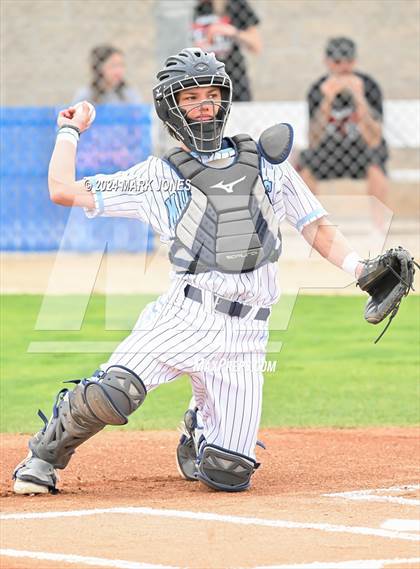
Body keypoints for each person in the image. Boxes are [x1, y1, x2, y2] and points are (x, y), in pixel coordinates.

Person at [13, 47, 366, 495]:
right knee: (114, 392)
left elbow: (315, 226)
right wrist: (69, 130)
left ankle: (199, 426)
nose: (204, 104)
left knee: (228, 474)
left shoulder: (263, 160)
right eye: (191, 96)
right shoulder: (156, 175)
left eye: (212, 95)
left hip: (247, 335)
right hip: (185, 315)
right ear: (170, 107)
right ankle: (44, 454)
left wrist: (360, 267)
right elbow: (62, 190)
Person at [299, 37, 389, 232]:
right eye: (338, 62)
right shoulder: (318, 89)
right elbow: (313, 140)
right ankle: (314, 227)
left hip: (360, 149)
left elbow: (374, 140)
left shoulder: (368, 85)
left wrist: (359, 98)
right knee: (304, 165)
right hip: (328, 149)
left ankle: (378, 225)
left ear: (355, 61)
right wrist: (327, 100)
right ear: (328, 62)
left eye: (348, 62)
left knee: (377, 162)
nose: (343, 68)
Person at [192, 0, 262, 101]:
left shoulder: (237, 5)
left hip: (233, 80)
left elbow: (256, 46)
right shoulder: (199, 7)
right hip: (204, 81)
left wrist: (231, 31)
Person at [73, 44, 141, 105]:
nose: (119, 71)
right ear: (99, 68)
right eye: (113, 65)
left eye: (121, 65)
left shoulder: (129, 95)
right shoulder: (86, 96)